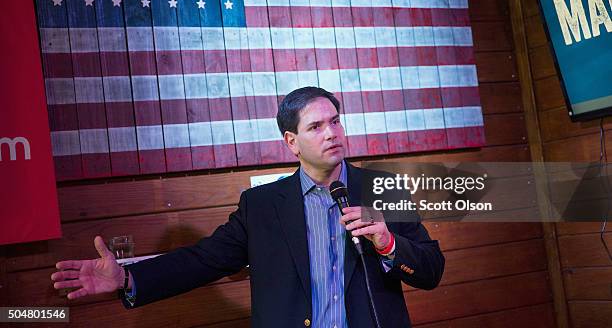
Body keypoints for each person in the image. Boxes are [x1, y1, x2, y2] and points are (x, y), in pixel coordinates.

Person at [51, 86, 444, 327]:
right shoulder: (261, 207)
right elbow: (204, 260)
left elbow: (430, 271)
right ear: (291, 142)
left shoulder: (383, 189)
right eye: (316, 127)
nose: (332, 134)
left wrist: (388, 243)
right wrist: (127, 278)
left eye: (335, 122)